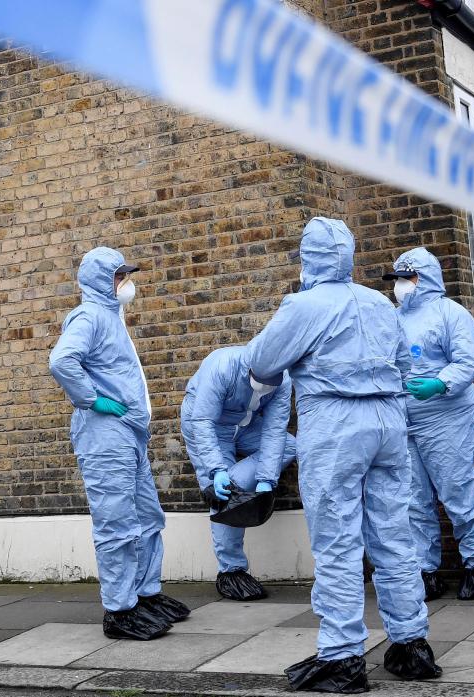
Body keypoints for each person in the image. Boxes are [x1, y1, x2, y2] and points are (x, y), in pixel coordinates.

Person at [246, 217, 441, 692]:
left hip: (335, 422)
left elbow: (262, 362)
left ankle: (342, 655)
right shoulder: (378, 302)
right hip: (388, 421)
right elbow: (404, 363)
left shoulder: (303, 305)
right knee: (395, 534)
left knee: (337, 541)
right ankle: (410, 642)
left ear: (308, 258)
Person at [49, 247, 190, 640]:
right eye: (118, 275)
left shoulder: (111, 316)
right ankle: (119, 609)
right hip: (104, 433)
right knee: (117, 523)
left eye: (125, 274)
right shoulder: (90, 316)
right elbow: (62, 361)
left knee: (147, 517)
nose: (125, 282)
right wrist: (92, 398)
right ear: (100, 280)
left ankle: (145, 594)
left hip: (127, 433)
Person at [383, 247, 474, 601]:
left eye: (407, 278)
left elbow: (467, 362)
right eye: (398, 279)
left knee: (457, 490)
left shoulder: (452, 314)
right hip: (405, 418)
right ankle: (425, 570)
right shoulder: (393, 317)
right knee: (414, 499)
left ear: (425, 278)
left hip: (447, 417)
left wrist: (439, 383)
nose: (400, 286)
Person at [180, 346, 297, 601]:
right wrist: (216, 469)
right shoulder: (222, 367)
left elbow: (275, 430)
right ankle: (231, 570)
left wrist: (266, 479)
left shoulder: (283, 378)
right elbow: (202, 421)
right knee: (224, 492)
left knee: (290, 446)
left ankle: (227, 486)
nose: (266, 389)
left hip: (245, 425)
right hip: (208, 424)